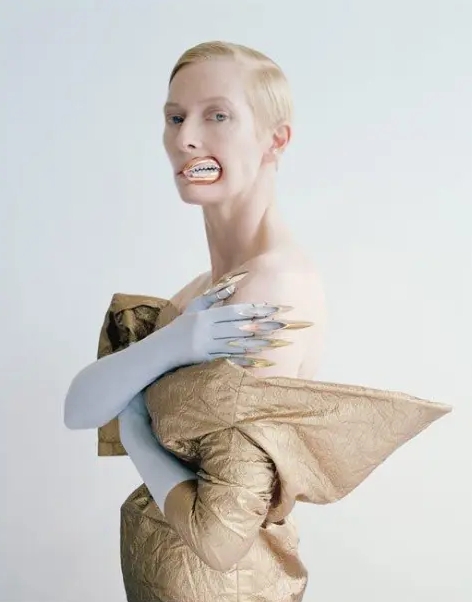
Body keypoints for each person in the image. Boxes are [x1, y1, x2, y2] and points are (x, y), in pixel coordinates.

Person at [63, 41, 451, 602]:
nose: (185, 138)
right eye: (175, 117)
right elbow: (78, 409)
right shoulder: (199, 296)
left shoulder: (272, 289)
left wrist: (138, 434)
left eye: (217, 115)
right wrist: (173, 343)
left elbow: (219, 537)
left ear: (277, 139)